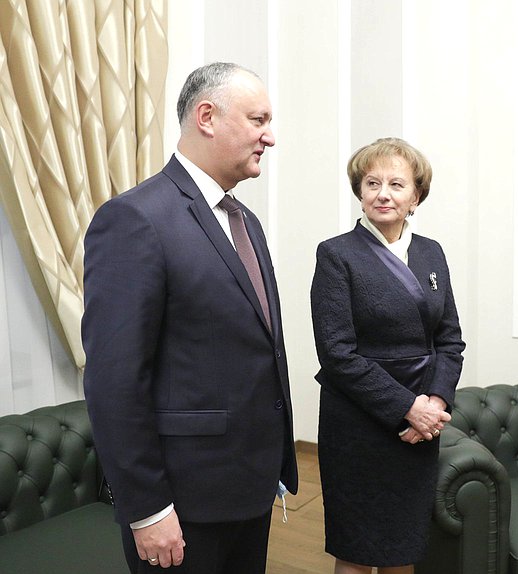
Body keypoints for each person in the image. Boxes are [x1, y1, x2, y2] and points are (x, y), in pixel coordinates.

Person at [82, 62, 297, 573]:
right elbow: (115, 381)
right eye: (258, 119)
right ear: (207, 116)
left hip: (247, 487)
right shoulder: (135, 219)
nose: (270, 136)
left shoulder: (246, 222)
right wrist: (147, 509)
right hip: (182, 502)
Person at [310, 137, 465, 574]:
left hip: (419, 427)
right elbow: (337, 354)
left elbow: (450, 340)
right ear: (359, 191)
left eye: (397, 184)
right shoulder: (337, 254)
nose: (383, 193)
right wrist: (406, 408)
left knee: (404, 547)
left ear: (416, 196)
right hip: (359, 423)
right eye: (372, 182)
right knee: (357, 551)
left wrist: (433, 403)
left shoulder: (431, 252)